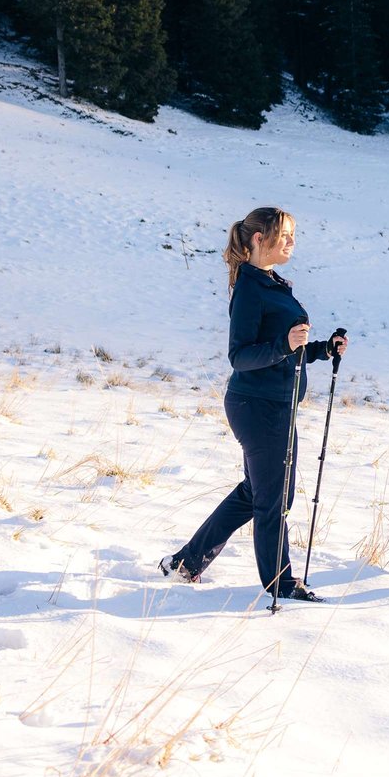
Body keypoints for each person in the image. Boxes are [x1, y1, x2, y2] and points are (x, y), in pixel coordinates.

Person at [160, 206, 348, 602]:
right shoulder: (250, 287)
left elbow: (284, 346)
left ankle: (185, 563)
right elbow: (240, 355)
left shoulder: (272, 282)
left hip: (275, 403)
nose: (292, 241)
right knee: (273, 499)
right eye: (285, 234)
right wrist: (286, 344)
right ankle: (279, 582)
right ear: (259, 239)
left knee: (258, 493)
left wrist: (320, 349)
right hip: (257, 405)